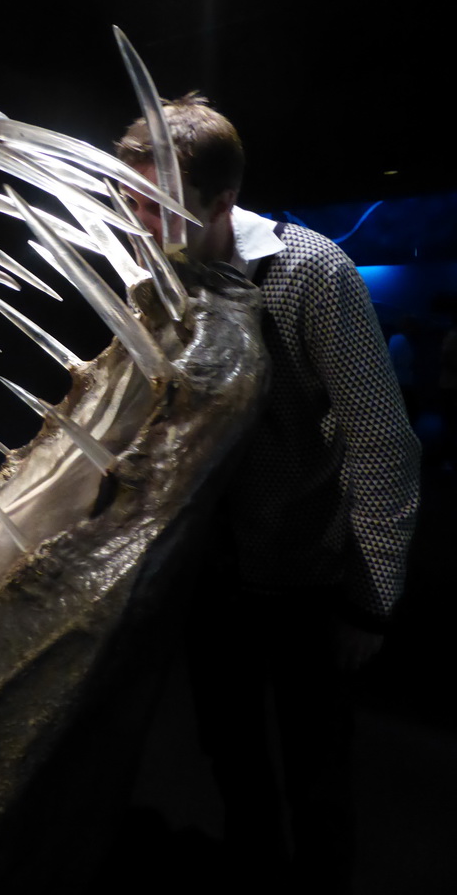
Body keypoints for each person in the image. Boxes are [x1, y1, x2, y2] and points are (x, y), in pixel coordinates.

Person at [116, 94, 421, 893]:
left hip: (304, 578)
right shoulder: (158, 276)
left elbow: (382, 439)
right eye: (132, 199)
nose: (138, 220)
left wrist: (367, 600)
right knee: (232, 757)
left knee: (317, 769)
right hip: (208, 577)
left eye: (157, 205)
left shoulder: (311, 269)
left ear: (223, 201)